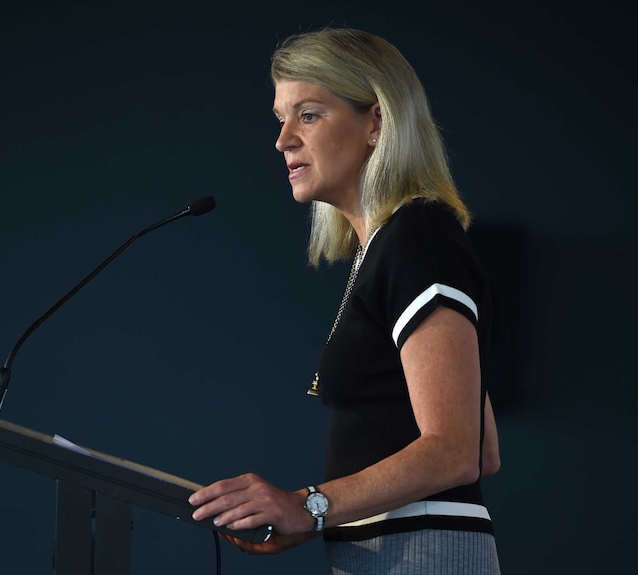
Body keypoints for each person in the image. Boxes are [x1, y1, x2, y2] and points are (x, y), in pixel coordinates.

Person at [189, 27, 502, 574]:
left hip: (424, 557)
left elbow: (458, 449)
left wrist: (308, 507)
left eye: (308, 115)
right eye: (281, 118)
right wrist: (320, 518)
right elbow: (485, 448)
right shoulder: (389, 247)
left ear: (376, 122)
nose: (283, 139)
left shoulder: (418, 238)